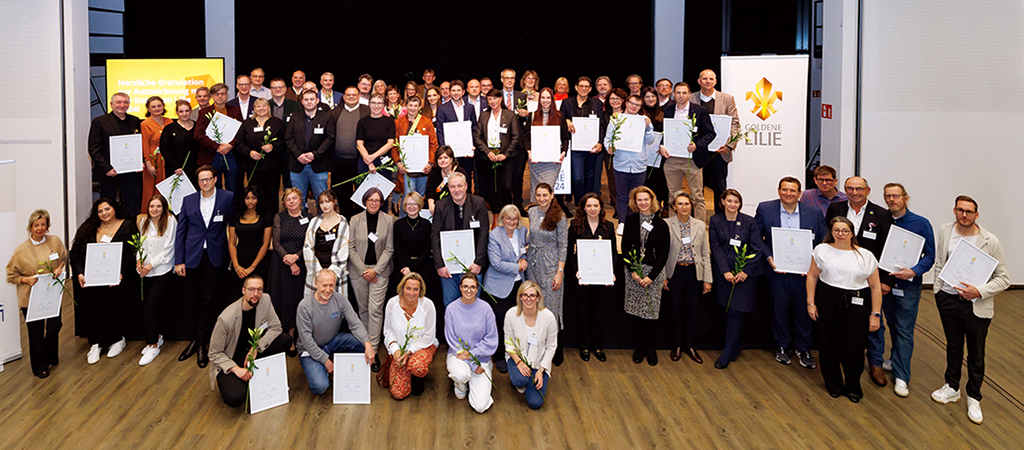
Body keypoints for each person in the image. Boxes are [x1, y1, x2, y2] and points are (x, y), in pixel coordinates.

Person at [929, 196, 1009, 424]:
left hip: (976, 305)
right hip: (948, 300)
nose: (964, 215)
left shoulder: (989, 241)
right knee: (953, 346)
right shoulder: (945, 231)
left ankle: (974, 396)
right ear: (954, 211)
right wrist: (938, 291)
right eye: (960, 210)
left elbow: (1004, 279)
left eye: (969, 211)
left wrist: (979, 292)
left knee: (976, 353)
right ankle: (952, 387)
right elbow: (940, 263)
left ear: (977, 214)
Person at [806, 216, 882, 403]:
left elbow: (875, 287)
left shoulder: (866, 255)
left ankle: (853, 385)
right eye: (836, 230)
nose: (841, 234)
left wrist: (875, 314)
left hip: (857, 302)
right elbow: (812, 276)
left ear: (852, 233)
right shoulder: (821, 250)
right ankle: (833, 384)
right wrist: (811, 303)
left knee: (854, 346)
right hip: (827, 300)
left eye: (845, 230)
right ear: (831, 231)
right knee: (828, 345)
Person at [825, 176, 892, 386]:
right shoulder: (835, 208)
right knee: (844, 325)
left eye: (859, 189)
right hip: (841, 280)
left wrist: (884, 279)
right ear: (844, 190)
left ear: (868, 190)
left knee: (874, 324)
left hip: (869, 281)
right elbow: (828, 238)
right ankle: (844, 360)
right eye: (850, 189)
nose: (854, 192)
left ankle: (875, 363)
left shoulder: (881, 214)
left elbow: (886, 249)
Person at [754, 177, 825, 368]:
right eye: (785, 190)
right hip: (777, 271)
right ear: (778, 191)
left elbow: (822, 241)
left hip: (805, 274)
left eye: (793, 191)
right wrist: (769, 257)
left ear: (800, 193)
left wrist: (812, 264)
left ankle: (804, 348)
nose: (788, 193)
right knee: (780, 309)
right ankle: (783, 346)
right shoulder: (765, 208)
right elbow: (756, 237)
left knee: (804, 310)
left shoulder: (814, 212)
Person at [875, 183, 935, 398]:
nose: (891, 200)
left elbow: (930, 256)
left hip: (907, 287)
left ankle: (902, 376)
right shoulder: (881, 221)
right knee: (889, 324)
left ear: (906, 198)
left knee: (904, 330)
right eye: (887, 196)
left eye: (896, 196)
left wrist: (914, 271)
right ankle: (894, 360)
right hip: (882, 285)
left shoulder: (921, 223)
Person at [174, 165, 234, 368]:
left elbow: (233, 225)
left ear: (215, 179)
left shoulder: (227, 197)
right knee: (191, 298)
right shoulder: (188, 200)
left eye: (208, 179)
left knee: (208, 299)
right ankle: (194, 339)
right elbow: (181, 231)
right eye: (201, 180)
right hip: (191, 255)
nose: (205, 183)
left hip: (215, 256)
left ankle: (201, 345)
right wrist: (178, 260)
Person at [69, 198, 139, 364]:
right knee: (92, 309)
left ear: (114, 208)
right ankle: (96, 343)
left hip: (117, 279)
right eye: (100, 211)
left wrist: (120, 272)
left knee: (112, 307)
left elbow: (132, 252)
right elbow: (75, 253)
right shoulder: (88, 227)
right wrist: (79, 273)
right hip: (91, 279)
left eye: (107, 209)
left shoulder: (128, 225)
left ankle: (116, 340)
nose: (104, 213)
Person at [207, 274, 292, 407]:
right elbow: (214, 353)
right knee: (235, 397)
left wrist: (256, 348)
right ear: (243, 290)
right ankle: (246, 381)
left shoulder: (265, 300)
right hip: (232, 359)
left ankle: (261, 377)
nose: (256, 294)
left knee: (286, 340)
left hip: (252, 354)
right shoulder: (226, 319)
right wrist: (237, 369)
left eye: (259, 289)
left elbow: (276, 327)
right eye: (251, 289)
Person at [6, 210, 68, 378]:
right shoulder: (21, 251)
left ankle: (50, 355)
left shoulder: (54, 241)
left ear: (47, 225)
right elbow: (11, 275)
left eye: (43, 224)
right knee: (35, 332)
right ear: (30, 227)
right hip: (31, 299)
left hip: (52, 294)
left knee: (55, 325)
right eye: (36, 225)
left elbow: (63, 257)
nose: (40, 228)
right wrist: (26, 280)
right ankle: (40, 365)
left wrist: (60, 267)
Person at [708, 189, 764, 369]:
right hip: (725, 274)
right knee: (727, 310)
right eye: (729, 201)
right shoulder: (715, 220)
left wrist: (745, 271)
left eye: (736, 202)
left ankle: (726, 352)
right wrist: (725, 271)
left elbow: (757, 249)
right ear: (722, 201)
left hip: (744, 276)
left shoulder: (749, 222)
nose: (733, 205)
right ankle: (735, 345)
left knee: (735, 312)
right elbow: (715, 247)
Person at [296, 269, 375, 395]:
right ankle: (317, 367)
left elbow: (355, 323)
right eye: (324, 285)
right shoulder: (304, 306)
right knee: (320, 387)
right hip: (309, 349)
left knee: (360, 343)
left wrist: (368, 344)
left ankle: (346, 371)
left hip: (331, 342)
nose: (328, 289)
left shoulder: (340, 299)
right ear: (316, 284)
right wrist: (326, 362)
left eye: (331, 285)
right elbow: (307, 341)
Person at [621, 186, 669, 365]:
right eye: (639, 200)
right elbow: (625, 248)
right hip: (634, 273)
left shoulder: (661, 224)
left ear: (652, 201)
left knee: (651, 313)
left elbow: (664, 253)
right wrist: (632, 271)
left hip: (653, 274)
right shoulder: (631, 220)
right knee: (636, 312)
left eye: (646, 199)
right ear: (635, 202)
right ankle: (640, 347)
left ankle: (651, 347)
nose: (642, 203)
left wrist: (652, 276)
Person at [349, 187, 395, 372]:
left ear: (382, 202)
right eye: (370, 200)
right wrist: (363, 270)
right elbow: (350, 248)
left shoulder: (389, 220)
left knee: (375, 310)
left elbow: (389, 249)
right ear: (364, 202)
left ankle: (374, 351)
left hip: (380, 272)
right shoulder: (354, 220)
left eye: (377, 200)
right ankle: (365, 345)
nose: (374, 203)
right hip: (358, 272)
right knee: (363, 310)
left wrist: (375, 271)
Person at [565, 193, 615, 362]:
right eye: (589, 206)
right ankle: (584, 346)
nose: (592, 209)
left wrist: (610, 272)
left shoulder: (608, 226)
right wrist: (576, 271)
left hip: (601, 278)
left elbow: (613, 252)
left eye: (596, 205)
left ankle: (598, 346)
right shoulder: (575, 226)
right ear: (583, 208)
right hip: (582, 278)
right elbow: (569, 252)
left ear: (601, 208)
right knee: (583, 312)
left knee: (599, 313)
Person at [663, 192, 712, 364]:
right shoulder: (666, 224)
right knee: (676, 310)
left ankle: (690, 345)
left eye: (687, 204)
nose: (684, 207)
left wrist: (708, 279)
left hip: (694, 273)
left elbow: (705, 254)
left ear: (691, 206)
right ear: (674, 206)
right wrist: (663, 276)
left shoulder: (699, 224)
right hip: (675, 272)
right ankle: (676, 345)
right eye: (680, 204)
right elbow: (662, 254)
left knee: (692, 311)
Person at [659, 82, 716, 222]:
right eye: (678, 93)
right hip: (671, 158)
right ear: (674, 93)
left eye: (684, 93)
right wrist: (661, 145)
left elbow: (710, 133)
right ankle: (674, 228)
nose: (681, 96)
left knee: (697, 196)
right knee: (673, 196)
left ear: (689, 94)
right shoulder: (669, 110)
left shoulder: (700, 110)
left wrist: (697, 145)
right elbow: (666, 132)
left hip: (692, 159)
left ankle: (700, 229)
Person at [431, 172, 489, 305]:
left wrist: (478, 262)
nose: (456, 190)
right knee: (450, 305)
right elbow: (435, 236)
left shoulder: (478, 203)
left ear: (466, 186)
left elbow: (483, 233)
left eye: (459, 186)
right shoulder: (441, 205)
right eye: (452, 187)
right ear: (448, 188)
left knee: (473, 305)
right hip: (448, 269)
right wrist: (440, 264)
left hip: (472, 266)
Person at [526, 183, 568, 365]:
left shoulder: (560, 216)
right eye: (538, 195)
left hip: (551, 265)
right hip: (533, 264)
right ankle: (536, 348)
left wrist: (559, 272)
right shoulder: (532, 212)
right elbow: (530, 236)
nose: (541, 198)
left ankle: (554, 349)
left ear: (552, 195)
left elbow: (563, 244)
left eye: (545, 195)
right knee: (533, 306)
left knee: (551, 307)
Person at [483, 204, 528, 373]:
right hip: (498, 286)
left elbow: (522, 253)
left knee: (516, 322)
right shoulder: (494, 235)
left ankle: (514, 354)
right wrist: (517, 267)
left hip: (518, 285)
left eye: (515, 218)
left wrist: (523, 260)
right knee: (501, 322)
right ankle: (500, 355)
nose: (511, 221)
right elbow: (496, 263)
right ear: (502, 219)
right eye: (508, 218)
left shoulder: (522, 231)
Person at [445, 273, 498, 413]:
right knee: (460, 374)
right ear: (460, 288)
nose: (469, 290)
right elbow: (452, 340)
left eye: (472, 287)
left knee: (480, 407)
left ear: (477, 289)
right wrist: (472, 364)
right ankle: (460, 385)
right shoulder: (451, 309)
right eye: (465, 286)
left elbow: (491, 339)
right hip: (458, 356)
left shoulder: (486, 308)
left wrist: (473, 356)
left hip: (481, 358)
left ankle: (482, 373)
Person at [269, 187, 311, 356]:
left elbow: (309, 242)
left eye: (294, 198)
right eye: (288, 199)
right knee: (279, 299)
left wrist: (296, 258)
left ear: (301, 200)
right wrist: (288, 259)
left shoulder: (309, 218)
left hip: (300, 264)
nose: (291, 201)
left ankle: (292, 338)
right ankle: (279, 337)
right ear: (284, 203)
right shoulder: (279, 217)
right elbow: (276, 242)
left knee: (294, 301)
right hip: (280, 264)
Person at [382, 272, 438, 399]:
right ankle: (407, 371)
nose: (411, 293)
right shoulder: (392, 303)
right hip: (400, 349)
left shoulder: (428, 305)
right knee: (398, 394)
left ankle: (416, 377)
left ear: (420, 290)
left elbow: (429, 335)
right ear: (402, 288)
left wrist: (409, 352)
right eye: (408, 288)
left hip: (423, 346)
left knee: (417, 367)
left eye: (415, 289)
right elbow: (388, 331)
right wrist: (395, 351)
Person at [136, 194, 177, 366]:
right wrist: (138, 260)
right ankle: (157, 337)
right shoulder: (144, 222)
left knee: (149, 308)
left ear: (164, 207)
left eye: (158, 206)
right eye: (152, 206)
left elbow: (169, 248)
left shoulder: (170, 221)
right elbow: (140, 244)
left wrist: (151, 264)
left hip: (162, 270)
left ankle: (152, 345)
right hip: (146, 272)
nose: (155, 209)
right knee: (150, 308)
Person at [690, 69, 740, 211]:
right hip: (698, 151)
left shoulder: (727, 99)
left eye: (711, 79)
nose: (708, 81)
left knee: (719, 188)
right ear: (699, 81)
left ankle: (720, 220)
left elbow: (735, 123)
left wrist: (729, 146)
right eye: (704, 79)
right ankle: (696, 220)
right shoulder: (690, 98)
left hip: (719, 151)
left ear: (715, 81)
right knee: (696, 188)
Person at [504, 281, 558, 409]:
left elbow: (551, 347)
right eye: (525, 295)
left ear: (538, 297)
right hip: (517, 358)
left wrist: (541, 370)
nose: (529, 299)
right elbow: (508, 344)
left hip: (539, 362)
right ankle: (521, 382)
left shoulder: (548, 317)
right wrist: (519, 363)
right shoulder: (511, 314)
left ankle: (531, 379)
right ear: (520, 297)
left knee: (535, 403)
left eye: (532, 295)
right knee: (520, 379)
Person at [88, 92, 142, 216]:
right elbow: (94, 149)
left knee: (133, 204)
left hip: (131, 172)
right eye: (119, 102)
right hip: (110, 173)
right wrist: (106, 168)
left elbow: (138, 145)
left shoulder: (135, 121)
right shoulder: (100, 122)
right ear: (112, 104)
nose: (122, 105)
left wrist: (139, 163)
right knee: (107, 205)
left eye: (125, 102)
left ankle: (130, 231)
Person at [606, 93, 656, 222]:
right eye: (632, 103)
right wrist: (609, 147)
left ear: (641, 107)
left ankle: (634, 223)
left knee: (637, 198)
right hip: (620, 164)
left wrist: (649, 127)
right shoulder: (616, 120)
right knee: (622, 196)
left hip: (639, 166)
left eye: (638, 105)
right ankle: (622, 222)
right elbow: (607, 139)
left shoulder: (644, 120)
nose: (634, 107)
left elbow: (650, 140)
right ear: (626, 103)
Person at [286, 89, 336, 215]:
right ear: (302, 101)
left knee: (323, 200)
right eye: (306, 99)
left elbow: (330, 138)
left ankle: (323, 226)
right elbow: (288, 138)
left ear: (317, 101)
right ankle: (300, 225)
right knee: (298, 200)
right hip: (298, 165)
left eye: (312, 99)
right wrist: (298, 155)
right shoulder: (295, 117)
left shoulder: (326, 117)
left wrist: (315, 154)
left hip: (319, 165)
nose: (309, 102)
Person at [234, 98, 287, 216]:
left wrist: (273, 146)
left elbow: (284, 141)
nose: (261, 108)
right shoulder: (247, 123)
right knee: (255, 193)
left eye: (264, 106)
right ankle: (257, 217)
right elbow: (238, 142)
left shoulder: (277, 123)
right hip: (252, 166)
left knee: (271, 193)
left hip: (272, 166)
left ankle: (272, 219)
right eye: (258, 106)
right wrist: (249, 152)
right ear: (254, 109)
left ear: (269, 108)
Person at [473, 89, 520, 215]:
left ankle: (508, 212)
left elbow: (516, 137)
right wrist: (488, 152)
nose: (492, 101)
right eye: (489, 99)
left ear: (500, 99)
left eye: (495, 98)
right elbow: (477, 137)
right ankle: (495, 212)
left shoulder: (509, 115)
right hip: (488, 157)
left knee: (505, 186)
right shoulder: (484, 115)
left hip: (506, 157)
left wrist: (505, 154)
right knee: (491, 186)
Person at [194, 83, 243, 193]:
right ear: (211, 96)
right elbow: (198, 135)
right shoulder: (204, 112)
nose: (220, 96)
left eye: (223, 94)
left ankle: (233, 210)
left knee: (233, 186)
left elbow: (241, 132)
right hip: (211, 154)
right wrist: (217, 147)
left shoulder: (235, 110)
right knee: (214, 187)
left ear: (227, 96)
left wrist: (230, 145)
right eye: (217, 94)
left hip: (231, 154)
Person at [561, 76, 605, 199]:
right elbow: (559, 119)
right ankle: (580, 202)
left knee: (590, 176)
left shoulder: (597, 104)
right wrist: (566, 121)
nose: (583, 89)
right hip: (575, 147)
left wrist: (600, 142)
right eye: (581, 86)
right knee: (578, 177)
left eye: (586, 86)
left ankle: (587, 201)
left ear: (590, 89)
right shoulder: (567, 102)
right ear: (576, 87)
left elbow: (601, 125)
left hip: (592, 146)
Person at [329, 86, 370, 218]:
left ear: (359, 96)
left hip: (360, 161)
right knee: (342, 193)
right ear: (344, 97)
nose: (351, 97)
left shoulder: (366, 111)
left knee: (361, 192)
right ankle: (345, 220)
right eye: (348, 95)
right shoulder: (335, 112)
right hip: (339, 161)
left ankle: (359, 220)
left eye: (354, 95)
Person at [525, 89, 570, 206]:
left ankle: (549, 217)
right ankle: (537, 216)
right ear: (539, 100)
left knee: (548, 189)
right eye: (543, 98)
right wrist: (529, 152)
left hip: (553, 162)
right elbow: (526, 137)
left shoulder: (560, 116)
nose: (545, 100)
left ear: (552, 99)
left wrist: (563, 153)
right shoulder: (532, 115)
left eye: (548, 98)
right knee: (537, 189)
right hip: (536, 161)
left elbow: (565, 137)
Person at [302, 190, 350, 296]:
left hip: (335, 271)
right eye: (322, 202)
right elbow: (307, 247)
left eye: (328, 201)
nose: (325, 205)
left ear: (334, 202)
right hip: (316, 270)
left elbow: (344, 249)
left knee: (335, 306)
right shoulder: (314, 221)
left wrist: (330, 272)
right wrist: (319, 272)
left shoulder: (342, 222)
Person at [227, 185, 272, 296]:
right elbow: (231, 243)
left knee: (258, 295)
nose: (250, 201)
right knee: (238, 295)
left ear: (258, 199)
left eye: (254, 198)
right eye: (247, 198)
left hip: (259, 262)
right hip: (240, 262)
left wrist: (252, 267)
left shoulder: (266, 217)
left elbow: (266, 244)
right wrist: (236, 266)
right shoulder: (236, 216)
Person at [390, 192, 434, 298]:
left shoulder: (426, 224)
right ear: (404, 206)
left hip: (422, 266)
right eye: (409, 204)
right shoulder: (398, 224)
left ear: (420, 206)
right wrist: (406, 268)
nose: (412, 207)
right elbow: (397, 249)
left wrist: (412, 268)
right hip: (402, 267)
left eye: (415, 204)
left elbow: (427, 249)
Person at [394, 95, 438, 200]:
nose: (413, 108)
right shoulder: (398, 123)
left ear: (420, 108)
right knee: (408, 197)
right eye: (410, 105)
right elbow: (394, 145)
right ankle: (404, 217)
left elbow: (433, 144)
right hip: (406, 169)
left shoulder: (427, 122)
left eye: (415, 106)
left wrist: (431, 163)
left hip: (423, 168)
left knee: (421, 197)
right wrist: (398, 162)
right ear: (406, 106)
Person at [435, 80, 479, 182]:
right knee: (451, 181)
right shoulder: (442, 108)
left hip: (466, 153)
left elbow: (474, 128)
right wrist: (445, 151)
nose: (456, 93)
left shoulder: (470, 107)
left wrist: (472, 145)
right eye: (453, 90)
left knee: (466, 178)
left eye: (458, 90)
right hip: (450, 154)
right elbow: (440, 131)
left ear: (463, 92)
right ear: (450, 92)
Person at [500, 69, 530, 214]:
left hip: (519, 144)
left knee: (518, 177)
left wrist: (526, 115)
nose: (510, 81)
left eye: (512, 78)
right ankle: (506, 206)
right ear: (501, 79)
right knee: (504, 180)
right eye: (507, 78)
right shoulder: (496, 96)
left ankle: (518, 204)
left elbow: (525, 120)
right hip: (501, 144)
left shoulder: (521, 96)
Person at [356, 94, 397, 191]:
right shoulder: (362, 122)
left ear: (384, 105)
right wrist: (369, 161)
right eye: (373, 103)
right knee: (364, 194)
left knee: (382, 193)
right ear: (369, 104)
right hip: (365, 161)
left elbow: (391, 143)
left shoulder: (390, 121)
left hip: (383, 163)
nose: (376, 106)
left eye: (379, 103)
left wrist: (373, 157)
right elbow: (359, 144)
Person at [160, 100, 201, 190]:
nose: (184, 114)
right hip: (176, 169)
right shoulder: (169, 129)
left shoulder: (198, 127)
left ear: (191, 111)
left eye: (187, 111)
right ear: (176, 113)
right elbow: (164, 149)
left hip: (195, 169)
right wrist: (176, 166)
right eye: (181, 111)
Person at [641, 87, 668, 211]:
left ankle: (659, 207)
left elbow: (668, 133)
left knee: (660, 181)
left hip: (659, 153)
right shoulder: (639, 114)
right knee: (646, 180)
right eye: (647, 97)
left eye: (653, 96)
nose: (651, 99)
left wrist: (662, 145)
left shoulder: (664, 113)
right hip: (643, 154)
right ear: (643, 99)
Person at [141, 96, 170, 212]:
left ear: (163, 107)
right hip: (153, 159)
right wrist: (148, 163)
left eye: (159, 106)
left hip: (167, 159)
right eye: (153, 106)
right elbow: (145, 144)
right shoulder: (145, 124)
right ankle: (149, 215)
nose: (157, 108)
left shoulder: (170, 121)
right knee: (151, 188)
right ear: (148, 109)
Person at [424, 146, 470, 215]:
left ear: (451, 159)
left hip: (456, 202)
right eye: (440, 158)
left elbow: (467, 192)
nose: (443, 160)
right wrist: (431, 204)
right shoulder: (435, 172)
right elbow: (430, 193)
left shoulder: (460, 172)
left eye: (445, 158)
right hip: (438, 204)